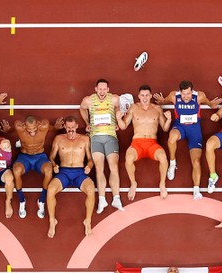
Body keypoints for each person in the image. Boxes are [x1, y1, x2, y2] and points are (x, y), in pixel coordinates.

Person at [153, 81, 222, 199]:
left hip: (194, 130)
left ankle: (196, 190)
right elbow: (165, 101)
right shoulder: (173, 96)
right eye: (184, 94)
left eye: (188, 94)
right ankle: (172, 162)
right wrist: (161, 101)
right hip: (180, 126)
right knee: (172, 137)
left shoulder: (199, 96)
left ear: (192, 91)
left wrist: (212, 104)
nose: (186, 97)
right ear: (180, 92)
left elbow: (208, 103)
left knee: (196, 161)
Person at [117, 85, 171, 201]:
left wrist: (169, 120)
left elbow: (165, 128)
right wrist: (118, 119)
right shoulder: (133, 108)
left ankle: (162, 184)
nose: (145, 98)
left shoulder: (157, 109)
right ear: (139, 96)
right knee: (129, 158)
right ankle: (133, 183)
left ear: (150, 96)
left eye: (147, 95)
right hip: (137, 143)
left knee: (163, 158)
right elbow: (123, 126)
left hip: (152, 143)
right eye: (142, 95)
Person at [46, 116, 95, 239]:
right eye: (68, 128)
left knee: (91, 189)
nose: (71, 130)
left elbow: (90, 159)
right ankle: (52, 221)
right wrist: (54, 165)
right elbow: (51, 157)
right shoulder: (58, 139)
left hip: (79, 172)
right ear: (65, 127)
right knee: (51, 189)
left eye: (73, 127)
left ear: (77, 126)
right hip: (64, 172)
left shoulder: (84, 139)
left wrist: (89, 166)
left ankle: (87, 221)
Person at [79, 79, 124, 213]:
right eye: (100, 89)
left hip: (111, 136)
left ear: (108, 90)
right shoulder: (88, 100)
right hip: (95, 137)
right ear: (96, 89)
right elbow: (81, 108)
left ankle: (116, 198)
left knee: (113, 166)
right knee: (99, 168)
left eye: (105, 89)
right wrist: (87, 122)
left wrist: (116, 119)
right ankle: (102, 199)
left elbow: (118, 109)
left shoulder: (115, 99)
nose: (102, 91)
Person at [12, 116, 64, 218]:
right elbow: (14, 126)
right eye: (29, 129)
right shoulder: (19, 127)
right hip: (24, 157)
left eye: (34, 129)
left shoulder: (44, 126)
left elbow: (50, 128)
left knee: (49, 171)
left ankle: (42, 201)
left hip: (40, 157)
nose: (32, 132)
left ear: (38, 124)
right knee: (16, 170)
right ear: (24, 126)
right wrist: (7, 130)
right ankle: (22, 200)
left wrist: (56, 128)